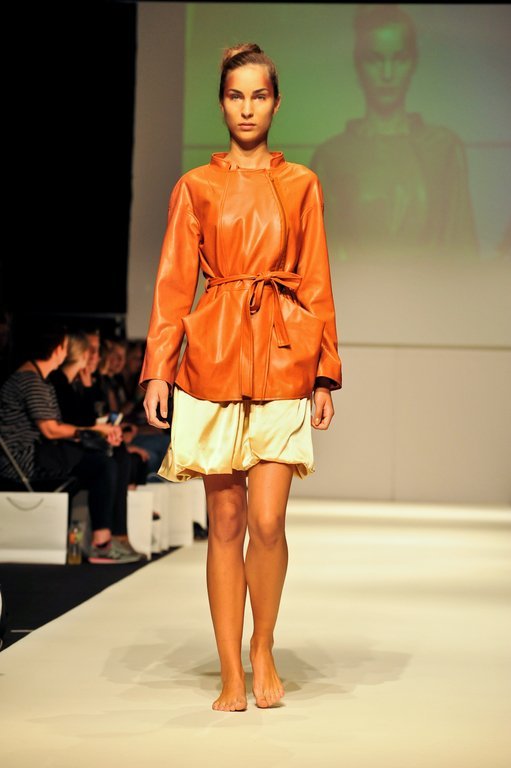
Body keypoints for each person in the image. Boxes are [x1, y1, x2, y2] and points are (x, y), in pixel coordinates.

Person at [140, 43, 342, 711]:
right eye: (235, 95)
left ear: (276, 103)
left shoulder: (302, 183)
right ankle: (231, 666)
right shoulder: (196, 185)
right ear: (222, 103)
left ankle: (263, 645)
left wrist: (325, 372)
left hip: (282, 352)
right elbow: (173, 283)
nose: (247, 107)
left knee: (268, 518)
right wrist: (158, 368)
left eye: (258, 95)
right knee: (224, 520)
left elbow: (316, 280)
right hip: (214, 354)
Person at [310, 4, 479, 262]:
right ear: (359, 64)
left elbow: (464, 252)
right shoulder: (331, 157)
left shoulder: (443, 148)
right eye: (374, 59)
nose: (387, 74)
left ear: (413, 63)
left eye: (399, 59)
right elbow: (320, 259)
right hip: (356, 287)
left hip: (433, 288)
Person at [0, 322, 142, 564]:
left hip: (37, 454)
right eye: (65, 346)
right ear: (57, 349)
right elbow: (51, 429)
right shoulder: (30, 380)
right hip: (25, 461)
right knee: (103, 464)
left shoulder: (36, 378)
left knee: (106, 459)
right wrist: (92, 431)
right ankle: (102, 542)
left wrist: (93, 433)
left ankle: (107, 538)